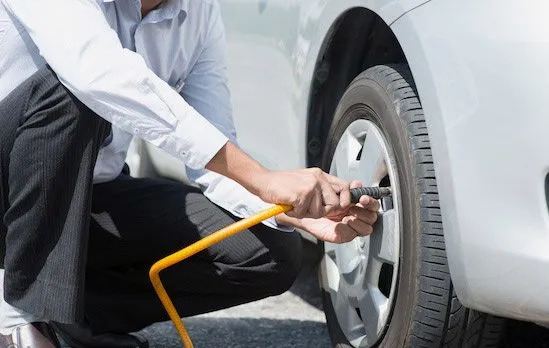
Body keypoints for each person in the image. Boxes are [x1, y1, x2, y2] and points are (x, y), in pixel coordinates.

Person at [0, 0, 380, 347]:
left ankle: (66, 320)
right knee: (72, 94)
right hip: (8, 192)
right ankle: (17, 321)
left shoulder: (199, 15)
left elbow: (214, 156)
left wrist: (288, 208)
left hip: (82, 201)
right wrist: (263, 177)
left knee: (269, 251)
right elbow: (97, 74)